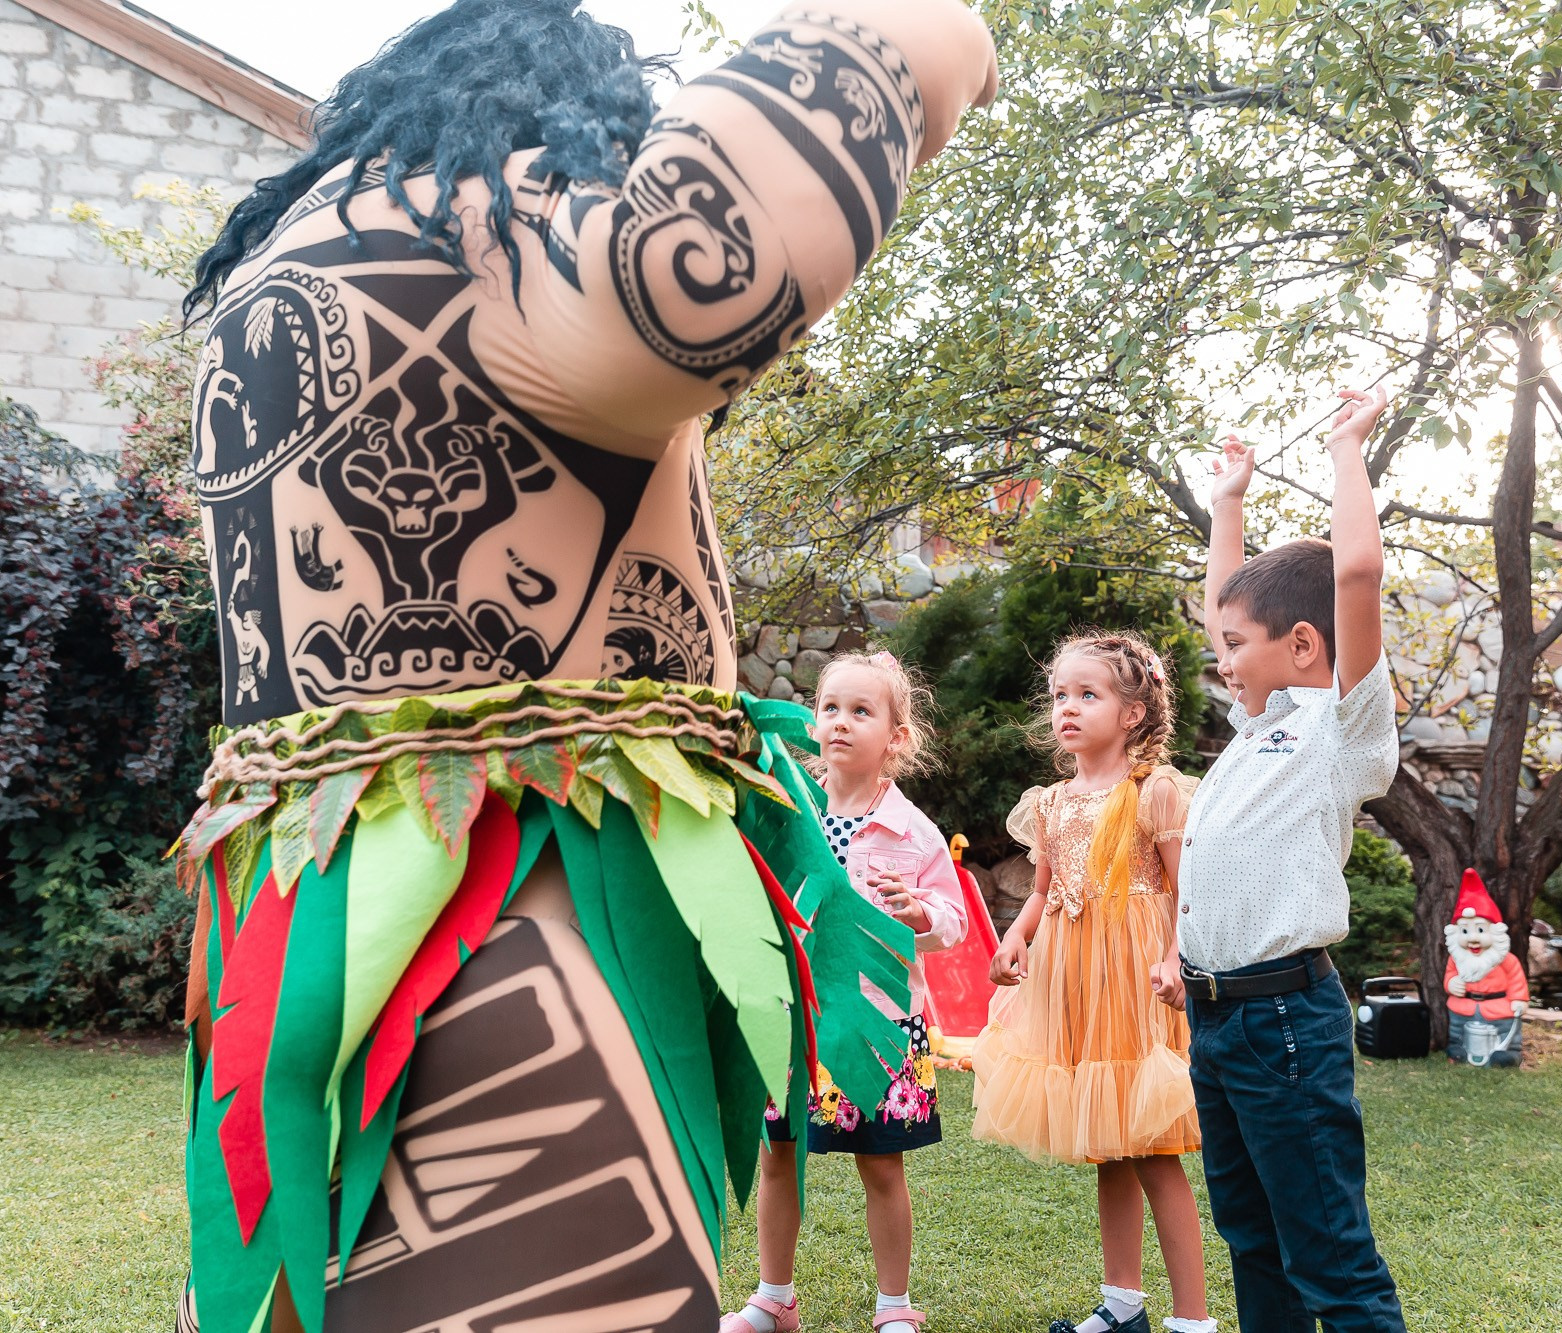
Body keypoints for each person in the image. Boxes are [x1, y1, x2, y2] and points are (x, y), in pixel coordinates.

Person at [170, 3, 999, 1330]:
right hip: (517, 931)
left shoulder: (279, 267)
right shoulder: (503, 233)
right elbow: (762, 198)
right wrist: (955, 39)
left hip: (303, 928)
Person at [1179, 388, 1406, 1332]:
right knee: (1252, 1236)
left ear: (1304, 645)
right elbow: (1227, 610)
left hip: (1281, 1021)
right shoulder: (1263, 723)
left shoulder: (1340, 729)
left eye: (1236, 647)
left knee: (1326, 1252)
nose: (1222, 658)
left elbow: (1356, 572)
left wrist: (1347, 448)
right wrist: (1228, 503)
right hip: (1216, 1016)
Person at [973, 631, 1214, 1333]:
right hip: (1075, 979)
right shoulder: (1051, 802)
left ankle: (1193, 1319)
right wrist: (1015, 936)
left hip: (1136, 982)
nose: (1067, 708)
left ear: (1133, 713)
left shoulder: (1154, 791)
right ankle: (1122, 1305)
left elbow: (1186, 889)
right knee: (1109, 1143)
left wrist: (1175, 958)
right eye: (1059, 696)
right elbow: (1043, 892)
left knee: (1152, 1150)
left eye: (1087, 694)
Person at [726, 651, 968, 1333]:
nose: (841, 721)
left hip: (876, 1023)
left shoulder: (912, 830)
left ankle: (894, 1307)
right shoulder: (786, 808)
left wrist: (919, 913)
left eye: (862, 711)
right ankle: (774, 1297)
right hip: (791, 1015)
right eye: (830, 707)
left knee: (881, 1166)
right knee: (777, 1155)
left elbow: (952, 922)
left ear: (896, 736)